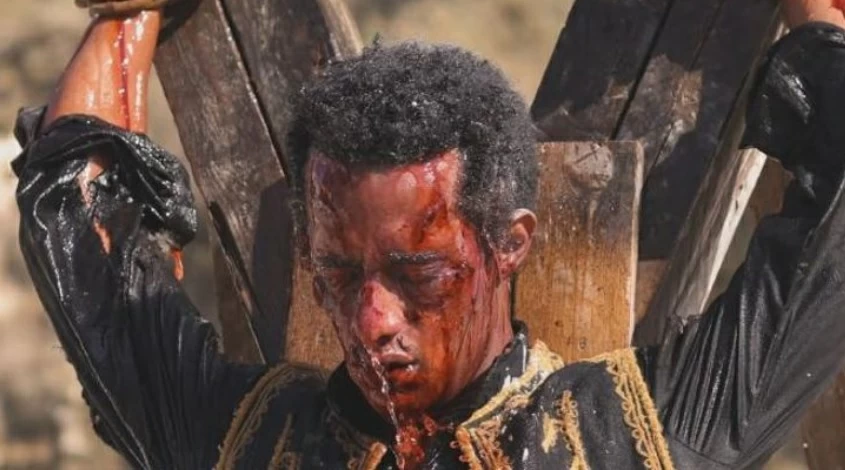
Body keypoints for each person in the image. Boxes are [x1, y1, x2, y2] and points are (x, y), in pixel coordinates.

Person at [12, 0, 845, 468]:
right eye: (340, 273)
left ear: (509, 245)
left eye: (420, 275)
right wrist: (128, 14)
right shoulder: (247, 442)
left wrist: (814, 17)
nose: (372, 320)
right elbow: (79, 238)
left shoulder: (632, 435)